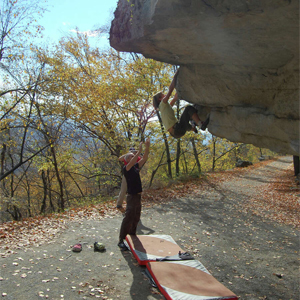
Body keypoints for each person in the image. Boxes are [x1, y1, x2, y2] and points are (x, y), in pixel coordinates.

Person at [153, 69, 209, 139]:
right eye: (162, 95)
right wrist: (175, 77)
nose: (164, 95)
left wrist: (175, 98)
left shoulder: (163, 108)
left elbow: (171, 103)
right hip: (177, 129)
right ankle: (200, 124)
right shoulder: (162, 103)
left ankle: (193, 128)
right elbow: (170, 90)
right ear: (160, 99)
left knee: (184, 123)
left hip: (175, 133)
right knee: (188, 109)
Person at [118, 138, 150, 250]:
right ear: (127, 160)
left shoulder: (136, 167)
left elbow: (144, 158)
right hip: (131, 197)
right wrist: (139, 149)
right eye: (131, 156)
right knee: (128, 218)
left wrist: (147, 146)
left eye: (133, 156)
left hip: (138, 196)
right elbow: (132, 161)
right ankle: (121, 240)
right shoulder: (126, 168)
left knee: (136, 217)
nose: (134, 157)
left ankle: (132, 235)